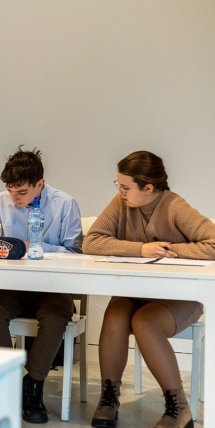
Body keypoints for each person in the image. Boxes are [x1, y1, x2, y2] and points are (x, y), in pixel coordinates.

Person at [83, 150, 215, 428]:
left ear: (149, 188)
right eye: (118, 185)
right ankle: (109, 398)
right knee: (115, 315)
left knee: (145, 322)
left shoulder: (175, 206)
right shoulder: (121, 203)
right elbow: (91, 241)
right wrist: (142, 249)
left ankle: (179, 409)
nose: (120, 192)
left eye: (125, 187)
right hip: (137, 291)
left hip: (180, 295)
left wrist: (171, 250)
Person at [0, 146, 83, 424]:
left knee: (55, 317)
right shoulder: (1, 201)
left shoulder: (65, 204)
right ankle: (7, 380)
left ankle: (33, 385)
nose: (15, 198)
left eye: (22, 192)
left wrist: (35, 247)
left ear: (40, 184)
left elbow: (76, 254)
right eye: (10, 190)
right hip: (12, 285)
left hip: (52, 288)